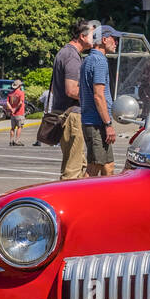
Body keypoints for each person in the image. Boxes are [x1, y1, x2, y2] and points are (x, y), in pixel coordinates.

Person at [50, 20, 92, 181]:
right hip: (72, 116)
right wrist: (93, 97)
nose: (96, 39)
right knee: (73, 169)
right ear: (82, 36)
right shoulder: (72, 56)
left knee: (77, 164)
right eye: (93, 36)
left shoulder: (64, 53)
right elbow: (72, 89)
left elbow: (55, 88)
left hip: (64, 114)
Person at [80, 27, 120, 178]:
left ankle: (109, 199)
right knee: (93, 168)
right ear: (104, 40)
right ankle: (80, 200)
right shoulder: (100, 61)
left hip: (93, 121)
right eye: (114, 39)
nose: (116, 43)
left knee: (108, 166)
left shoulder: (89, 59)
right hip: (97, 123)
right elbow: (98, 95)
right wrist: (108, 124)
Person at [6, 80, 26, 146]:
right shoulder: (21, 93)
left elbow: (7, 102)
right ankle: (17, 141)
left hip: (12, 114)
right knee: (19, 127)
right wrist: (15, 109)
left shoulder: (10, 94)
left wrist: (11, 109)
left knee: (12, 128)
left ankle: (11, 141)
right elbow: (20, 102)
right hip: (19, 112)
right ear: (19, 86)